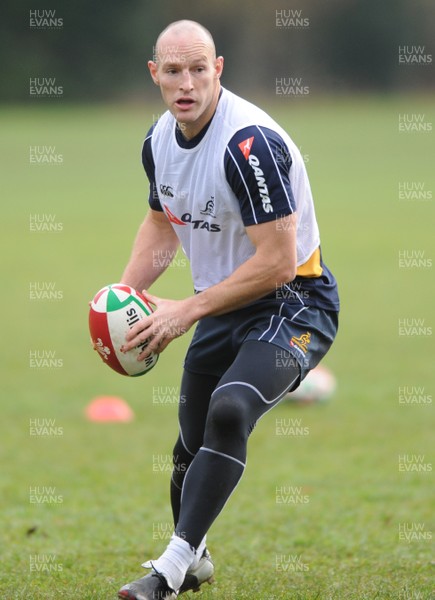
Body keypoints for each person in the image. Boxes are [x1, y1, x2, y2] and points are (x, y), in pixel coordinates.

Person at [117, 19, 339, 600]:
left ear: (218, 69)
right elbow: (162, 223)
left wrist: (184, 311)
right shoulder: (158, 142)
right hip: (221, 304)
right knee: (188, 450)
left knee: (230, 408)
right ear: (155, 74)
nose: (185, 82)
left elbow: (278, 263)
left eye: (198, 68)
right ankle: (195, 560)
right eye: (173, 70)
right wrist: (124, 300)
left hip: (293, 303)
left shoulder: (249, 145)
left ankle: (168, 570)